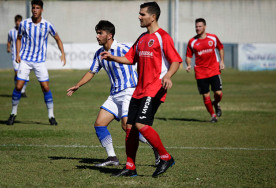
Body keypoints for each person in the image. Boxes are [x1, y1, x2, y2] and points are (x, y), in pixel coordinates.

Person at [101, 2, 182, 177]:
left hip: (155, 88)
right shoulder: (142, 38)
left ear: (153, 17)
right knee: (130, 127)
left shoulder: (163, 37)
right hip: (139, 90)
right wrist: (112, 57)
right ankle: (130, 167)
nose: (139, 17)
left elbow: (175, 60)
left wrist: (167, 76)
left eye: (142, 14)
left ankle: (165, 157)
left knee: (141, 124)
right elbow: (131, 59)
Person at [67, 20, 160, 167]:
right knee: (99, 124)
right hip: (114, 94)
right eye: (97, 33)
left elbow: (143, 59)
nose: (97, 36)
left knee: (126, 126)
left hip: (129, 91)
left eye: (100, 33)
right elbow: (92, 72)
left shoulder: (124, 49)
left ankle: (157, 150)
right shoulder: (99, 54)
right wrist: (77, 85)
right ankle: (112, 157)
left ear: (109, 35)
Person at [6, 0, 66, 126]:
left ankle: (51, 116)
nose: (34, 10)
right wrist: (17, 54)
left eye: (37, 8)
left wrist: (63, 53)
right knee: (18, 86)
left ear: (42, 10)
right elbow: (18, 38)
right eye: (33, 7)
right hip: (26, 61)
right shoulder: (24, 24)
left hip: (39, 62)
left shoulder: (47, 25)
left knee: (45, 87)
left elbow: (58, 38)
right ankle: (13, 113)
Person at [185, 18, 224, 123]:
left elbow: (220, 48)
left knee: (218, 93)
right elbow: (188, 55)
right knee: (205, 95)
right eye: (196, 27)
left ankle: (216, 103)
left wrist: (222, 61)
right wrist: (188, 64)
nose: (197, 28)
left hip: (214, 69)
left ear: (205, 27)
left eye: (200, 26)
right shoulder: (192, 42)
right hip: (200, 72)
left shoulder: (213, 38)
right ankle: (213, 116)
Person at [7, 15, 28, 97]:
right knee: (17, 73)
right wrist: (8, 48)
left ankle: (22, 90)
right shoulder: (11, 32)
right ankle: (18, 89)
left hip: (24, 56)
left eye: (19, 21)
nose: (18, 22)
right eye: (16, 21)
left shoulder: (25, 30)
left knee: (24, 74)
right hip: (15, 56)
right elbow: (9, 41)